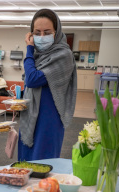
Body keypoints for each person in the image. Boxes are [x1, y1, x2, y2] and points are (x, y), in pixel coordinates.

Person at [18, 9, 77, 161]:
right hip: (30, 116)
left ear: (56, 32)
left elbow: (32, 79)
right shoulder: (37, 56)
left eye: (47, 32)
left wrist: (29, 49)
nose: (42, 37)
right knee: (25, 165)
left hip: (48, 119)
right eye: (37, 33)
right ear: (31, 34)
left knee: (43, 164)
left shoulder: (64, 55)